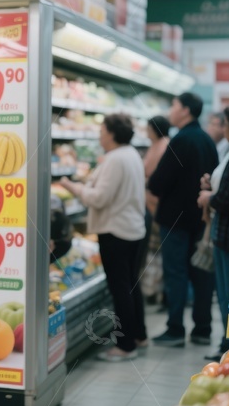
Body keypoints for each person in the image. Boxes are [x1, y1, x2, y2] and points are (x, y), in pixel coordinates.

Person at [60, 114, 146, 361]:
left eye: (102, 130)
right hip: (133, 229)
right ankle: (139, 335)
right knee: (131, 285)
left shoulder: (115, 159)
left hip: (115, 231)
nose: (99, 134)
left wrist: (71, 187)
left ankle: (125, 345)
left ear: (111, 133)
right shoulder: (131, 154)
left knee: (120, 289)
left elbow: (98, 198)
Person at [149, 93, 219, 347]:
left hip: (175, 221)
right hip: (200, 219)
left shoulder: (180, 141)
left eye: (174, 105)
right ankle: (202, 329)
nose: (171, 110)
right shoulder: (206, 141)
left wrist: (154, 186)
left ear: (186, 110)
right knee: (201, 274)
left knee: (176, 272)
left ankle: (175, 328)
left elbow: (159, 181)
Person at [198, 104, 229, 360]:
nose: (222, 129)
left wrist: (208, 197)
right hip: (227, 236)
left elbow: (228, 199)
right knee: (228, 295)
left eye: (225, 124)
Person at [141, 116, 170, 308]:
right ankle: (154, 289)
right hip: (152, 204)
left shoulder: (162, 146)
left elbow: (152, 176)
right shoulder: (158, 145)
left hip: (156, 206)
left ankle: (155, 290)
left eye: (148, 128)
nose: (146, 131)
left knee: (156, 251)